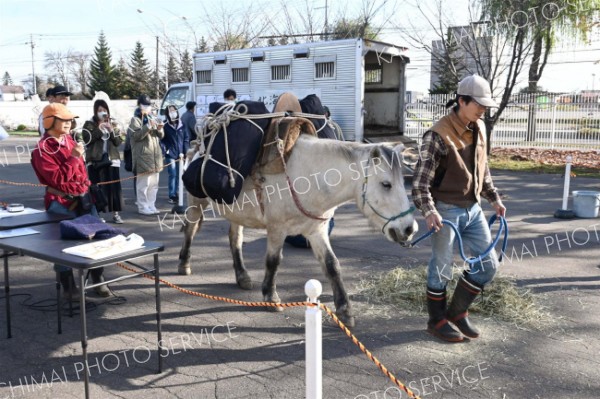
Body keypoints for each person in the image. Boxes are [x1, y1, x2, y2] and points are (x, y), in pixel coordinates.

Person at [412, 74, 506, 343]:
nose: (483, 110)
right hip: (446, 210)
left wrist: (494, 198)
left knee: (488, 265)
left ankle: (457, 312)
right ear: (462, 101)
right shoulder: (437, 135)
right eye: (479, 104)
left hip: (473, 208)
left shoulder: (479, 127)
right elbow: (419, 184)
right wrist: (430, 211)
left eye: (485, 106)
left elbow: (482, 169)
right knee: (442, 266)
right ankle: (436, 320)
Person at [31, 103, 110, 299]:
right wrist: (75, 158)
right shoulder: (41, 150)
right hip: (61, 202)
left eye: (69, 119)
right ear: (50, 121)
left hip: (84, 199)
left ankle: (98, 279)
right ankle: (69, 289)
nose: (68, 123)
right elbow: (57, 179)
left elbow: (81, 173)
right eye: (63, 119)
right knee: (62, 247)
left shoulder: (69, 140)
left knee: (97, 238)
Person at [82, 99, 125, 224]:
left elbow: (118, 142)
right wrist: (99, 128)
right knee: (97, 187)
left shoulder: (113, 123)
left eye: (104, 110)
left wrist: (111, 130)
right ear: (95, 111)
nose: (102, 113)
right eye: (100, 110)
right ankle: (98, 214)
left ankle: (116, 214)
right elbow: (87, 139)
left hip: (112, 159)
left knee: (114, 188)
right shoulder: (89, 124)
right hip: (96, 160)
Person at [128, 94, 164, 215]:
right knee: (143, 185)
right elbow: (136, 136)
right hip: (143, 156)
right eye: (144, 105)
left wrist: (159, 128)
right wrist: (148, 126)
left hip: (155, 156)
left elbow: (161, 136)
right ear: (139, 105)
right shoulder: (135, 120)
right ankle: (143, 206)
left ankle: (151, 205)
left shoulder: (152, 117)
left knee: (154, 184)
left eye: (148, 105)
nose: (147, 107)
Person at [161, 105, 190, 204]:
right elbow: (162, 140)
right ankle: (172, 194)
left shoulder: (183, 125)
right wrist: (165, 150)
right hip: (170, 154)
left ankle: (176, 192)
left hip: (181, 154)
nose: (173, 112)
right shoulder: (165, 126)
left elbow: (186, 139)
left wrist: (186, 152)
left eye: (174, 110)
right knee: (172, 174)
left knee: (179, 174)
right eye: (171, 111)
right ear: (167, 114)